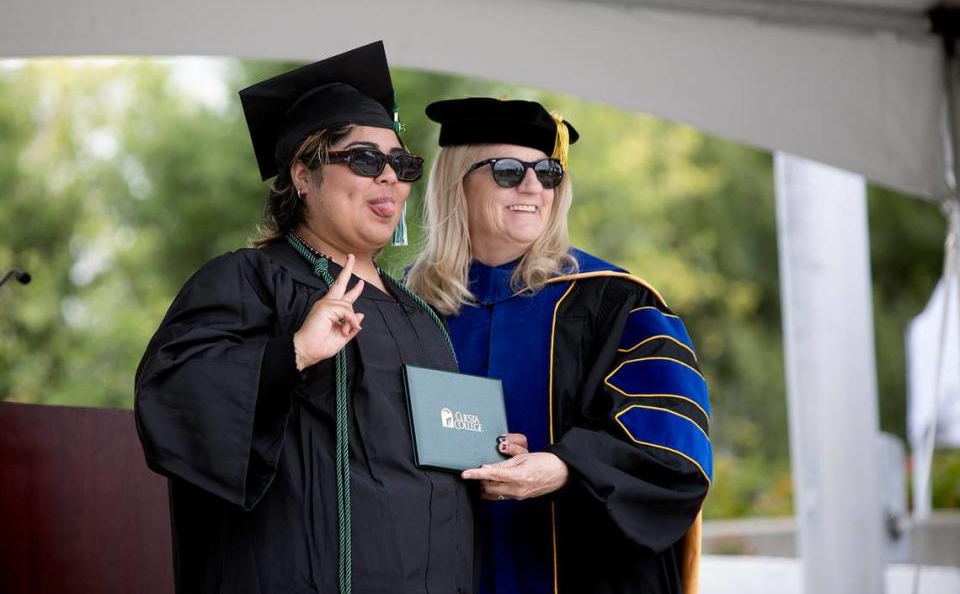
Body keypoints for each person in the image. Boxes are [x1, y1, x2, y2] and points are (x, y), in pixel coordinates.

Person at [134, 42, 476, 594]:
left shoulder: (422, 315)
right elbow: (173, 398)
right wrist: (290, 353)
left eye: (403, 164)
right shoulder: (249, 281)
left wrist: (492, 453)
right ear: (303, 173)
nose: (390, 177)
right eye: (365, 159)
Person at [407, 97, 711, 594]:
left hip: (587, 574)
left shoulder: (617, 303)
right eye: (507, 170)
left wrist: (564, 466)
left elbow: (674, 453)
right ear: (456, 181)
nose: (532, 186)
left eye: (548, 172)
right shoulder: (407, 307)